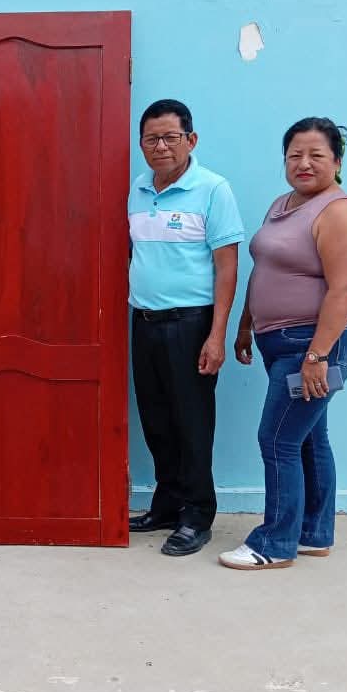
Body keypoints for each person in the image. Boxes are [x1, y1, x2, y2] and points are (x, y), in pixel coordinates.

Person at [219, 118, 347, 570]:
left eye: (316, 155)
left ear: (336, 161)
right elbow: (264, 268)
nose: (304, 163)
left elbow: (343, 290)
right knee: (308, 437)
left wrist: (317, 356)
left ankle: (275, 543)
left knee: (278, 439)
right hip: (279, 342)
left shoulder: (339, 212)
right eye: (294, 155)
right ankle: (313, 534)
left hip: (314, 345)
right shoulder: (282, 204)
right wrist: (246, 325)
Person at [128, 98, 243, 556]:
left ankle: (196, 515)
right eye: (151, 139)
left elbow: (227, 268)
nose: (161, 147)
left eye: (170, 137)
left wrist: (217, 335)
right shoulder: (138, 189)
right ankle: (167, 505)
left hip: (191, 324)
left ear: (191, 140)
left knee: (192, 423)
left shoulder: (213, 190)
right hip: (145, 322)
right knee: (156, 421)